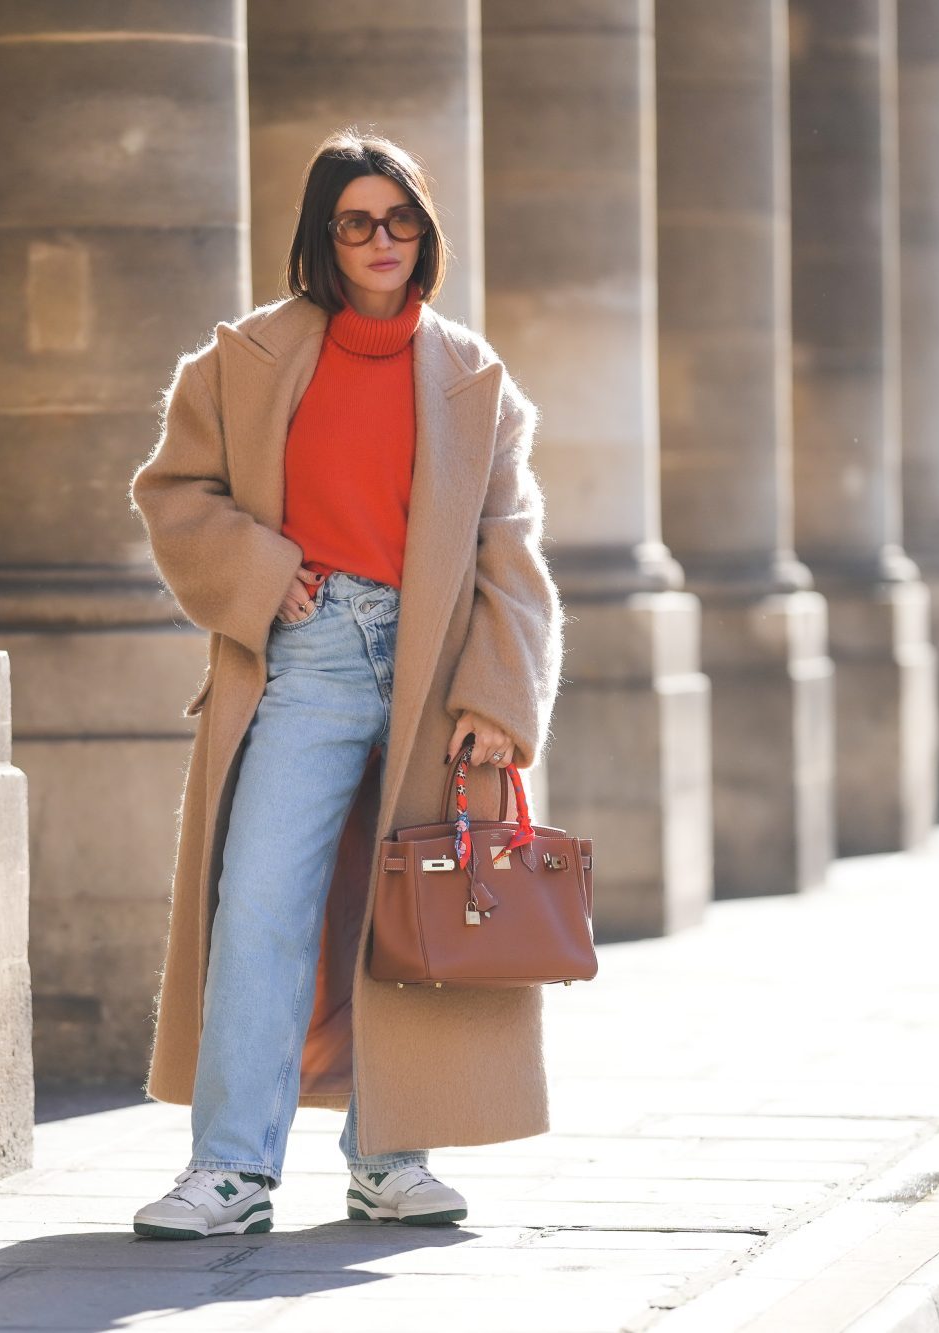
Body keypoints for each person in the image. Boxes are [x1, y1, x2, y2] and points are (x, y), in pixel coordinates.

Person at [124, 131, 564, 1240]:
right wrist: (263, 574)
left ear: (425, 233)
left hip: (437, 672)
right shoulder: (242, 361)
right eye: (357, 221)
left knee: (410, 910)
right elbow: (174, 491)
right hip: (309, 655)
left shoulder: (475, 378)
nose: (382, 240)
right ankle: (231, 1170)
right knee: (260, 902)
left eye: (401, 219)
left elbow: (510, 548)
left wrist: (498, 698)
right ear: (323, 236)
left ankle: (390, 1160)